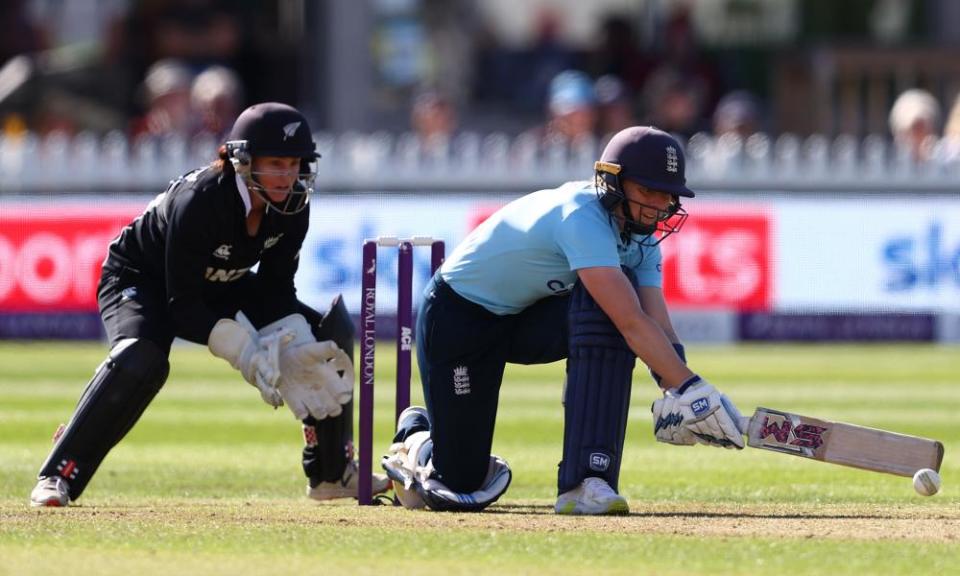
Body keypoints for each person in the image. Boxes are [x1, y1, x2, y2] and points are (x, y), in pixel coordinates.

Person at [29, 102, 388, 507]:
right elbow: (181, 306)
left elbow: (275, 292)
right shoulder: (200, 200)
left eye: (294, 163)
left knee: (328, 332)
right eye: (275, 163)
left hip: (225, 280)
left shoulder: (292, 207)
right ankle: (58, 474)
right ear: (243, 161)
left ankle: (331, 473)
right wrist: (246, 353)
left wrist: (291, 342)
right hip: (142, 279)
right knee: (141, 357)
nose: (287, 176)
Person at [382, 126, 745, 515]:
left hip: (523, 320)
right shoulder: (582, 215)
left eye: (667, 195)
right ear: (612, 181)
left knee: (607, 308)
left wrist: (678, 392)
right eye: (647, 191)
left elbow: (656, 323)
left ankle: (587, 480)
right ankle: (418, 436)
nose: (658, 206)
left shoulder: (641, 238)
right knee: (461, 484)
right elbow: (631, 322)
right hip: (459, 317)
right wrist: (692, 389)